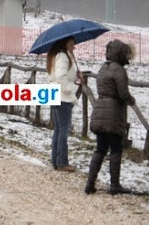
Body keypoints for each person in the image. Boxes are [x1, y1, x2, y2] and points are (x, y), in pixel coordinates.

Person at [85, 39, 135, 195]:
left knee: (100, 148)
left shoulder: (103, 68)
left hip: (100, 110)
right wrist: (131, 100)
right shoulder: (119, 70)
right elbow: (123, 93)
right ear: (121, 54)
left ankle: (90, 183)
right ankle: (114, 184)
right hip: (113, 113)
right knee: (115, 148)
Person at [47, 36, 81, 172]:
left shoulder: (58, 56)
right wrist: (68, 91)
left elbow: (65, 75)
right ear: (64, 44)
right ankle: (62, 162)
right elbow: (61, 77)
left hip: (55, 95)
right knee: (64, 130)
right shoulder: (63, 56)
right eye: (71, 44)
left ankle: (55, 160)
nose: (74, 47)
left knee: (59, 129)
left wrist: (78, 76)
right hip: (62, 97)